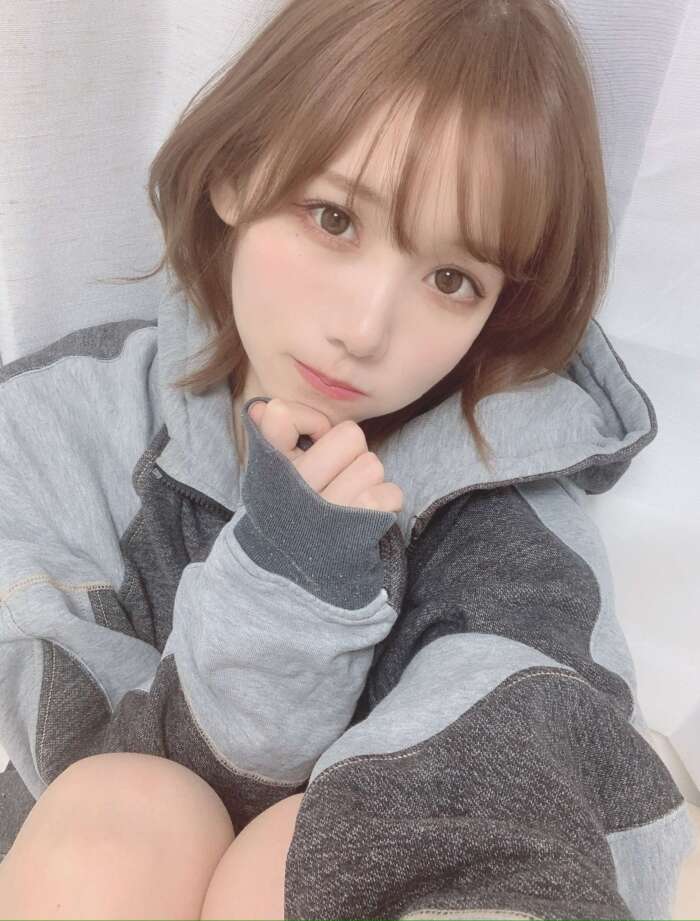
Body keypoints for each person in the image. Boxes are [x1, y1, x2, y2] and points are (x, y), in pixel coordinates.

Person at [0, 0, 696, 918]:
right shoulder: (58, 424)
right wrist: (287, 584)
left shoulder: (505, 507)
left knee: (297, 856)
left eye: (452, 279)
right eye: (334, 218)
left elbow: (533, 811)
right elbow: (52, 779)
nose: (366, 330)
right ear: (238, 171)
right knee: (123, 811)